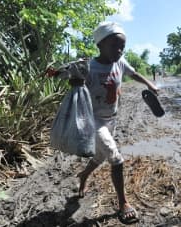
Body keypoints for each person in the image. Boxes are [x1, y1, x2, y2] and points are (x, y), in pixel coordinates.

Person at [74, 21, 158, 224]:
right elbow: (75, 87)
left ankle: (83, 176)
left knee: (101, 157)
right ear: (100, 45)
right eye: (114, 46)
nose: (119, 50)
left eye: (122, 47)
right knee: (116, 158)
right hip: (94, 120)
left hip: (111, 118)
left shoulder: (120, 63)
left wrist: (149, 83)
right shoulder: (89, 67)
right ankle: (123, 204)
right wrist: (74, 80)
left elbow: (134, 73)